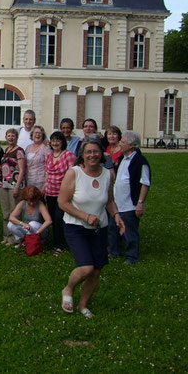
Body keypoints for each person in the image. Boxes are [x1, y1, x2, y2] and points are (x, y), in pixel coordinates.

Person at [59, 140, 125, 318]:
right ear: (82, 155)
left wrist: (117, 216)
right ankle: (69, 288)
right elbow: (62, 202)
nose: (92, 155)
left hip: (99, 228)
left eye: (96, 151)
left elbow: (109, 200)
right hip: (76, 226)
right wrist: (86, 216)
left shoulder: (107, 174)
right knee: (86, 268)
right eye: (88, 152)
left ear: (102, 154)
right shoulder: (74, 173)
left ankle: (83, 305)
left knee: (96, 271)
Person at [111, 131, 150, 264]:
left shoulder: (140, 161)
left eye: (122, 141)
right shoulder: (123, 158)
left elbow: (145, 183)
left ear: (132, 145)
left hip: (130, 203)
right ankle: (114, 251)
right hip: (117, 202)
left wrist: (140, 203)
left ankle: (132, 256)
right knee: (113, 228)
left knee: (130, 231)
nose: (120, 144)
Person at [44, 131, 76, 256]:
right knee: (53, 218)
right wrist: (45, 189)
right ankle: (56, 241)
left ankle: (60, 245)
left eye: (58, 140)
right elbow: (47, 173)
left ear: (63, 142)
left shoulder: (68, 155)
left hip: (63, 193)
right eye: (53, 140)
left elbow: (72, 173)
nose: (55, 143)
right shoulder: (50, 155)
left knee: (59, 218)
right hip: (50, 192)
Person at [0, 128, 26, 245]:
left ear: (16, 137)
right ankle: (6, 236)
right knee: (5, 212)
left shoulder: (19, 151)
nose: (10, 138)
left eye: (13, 136)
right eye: (8, 136)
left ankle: (15, 237)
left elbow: (22, 170)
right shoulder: (6, 150)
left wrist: (17, 187)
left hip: (14, 185)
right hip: (3, 184)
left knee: (14, 212)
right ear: (6, 137)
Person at [25, 125, 51, 191]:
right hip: (29, 181)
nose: (37, 135)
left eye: (39, 133)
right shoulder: (28, 148)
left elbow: (49, 167)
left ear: (42, 135)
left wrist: (46, 184)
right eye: (35, 133)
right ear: (32, 135)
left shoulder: (46, 148)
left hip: (41, 182)